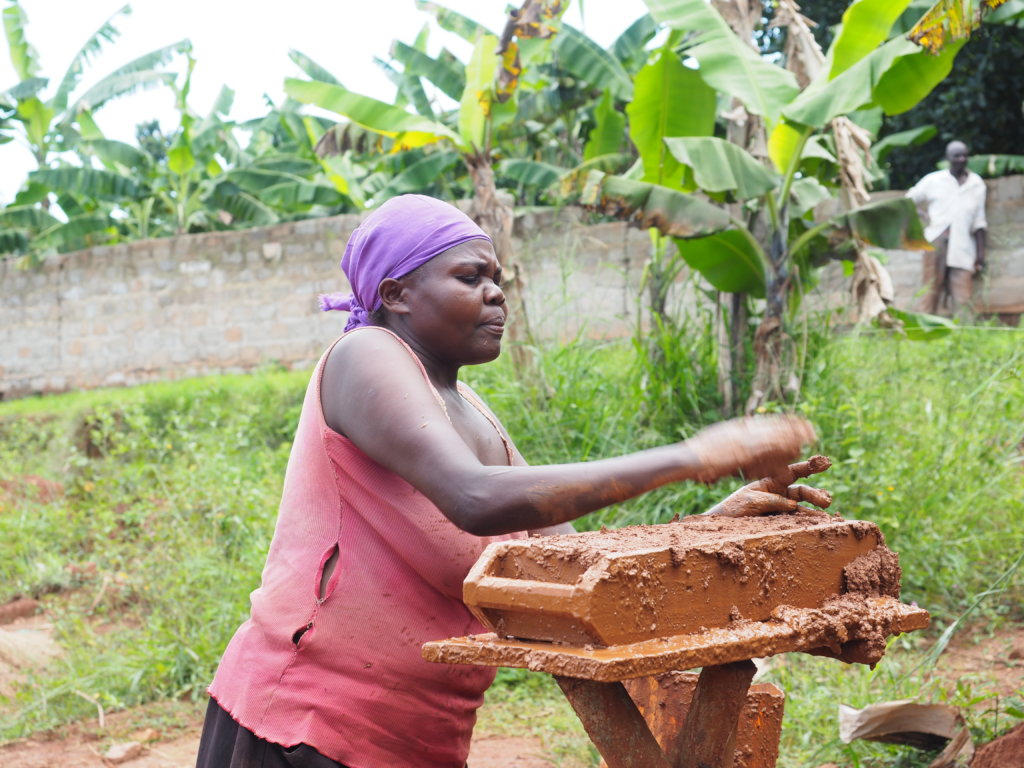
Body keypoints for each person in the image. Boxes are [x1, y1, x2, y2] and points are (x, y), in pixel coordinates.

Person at [195, 194, 820, 768]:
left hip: (415, 736)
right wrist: (695, 454)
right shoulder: (366, 354)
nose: (496, 294)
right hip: (304, 726)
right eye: (471, 277)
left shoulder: (471, 410)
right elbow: (473, 498)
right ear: (397, 293)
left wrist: (709, 527)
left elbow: (568, 564)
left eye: (498, 278)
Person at [906, 140, 988, 317]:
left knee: (964, 297)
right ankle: (924, 333)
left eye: (965, 155)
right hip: (936, 241)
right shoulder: (934, 180)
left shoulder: (976, 184)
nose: (961, 159)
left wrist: (981, 255)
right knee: (930, 290)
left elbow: (979, 222)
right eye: (957, 156)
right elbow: (909, 200)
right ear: (948, 158)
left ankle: (964, 336)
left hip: (964, 246)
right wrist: (923, 217)